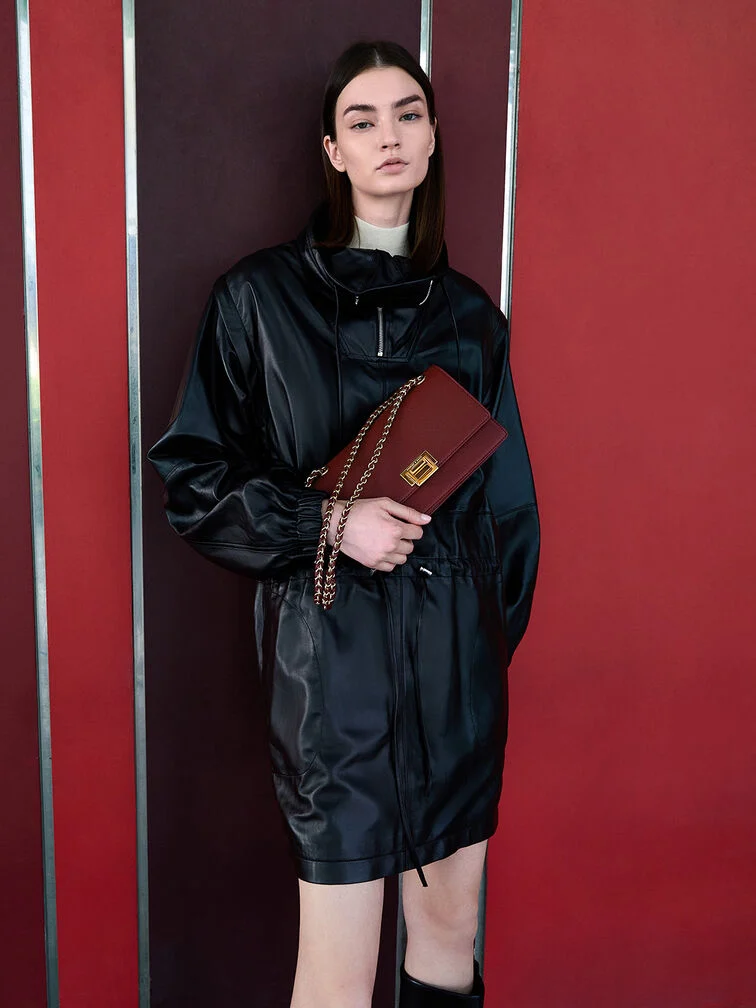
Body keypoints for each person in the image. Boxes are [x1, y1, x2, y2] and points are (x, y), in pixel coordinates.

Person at [147, 38, 539, 1008]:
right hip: (330, 676)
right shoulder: (259, 299)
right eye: (362, 121)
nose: (388, 136)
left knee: (448, 941)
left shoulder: (470, 318)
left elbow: (509, 514)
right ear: (333, 151)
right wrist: (330, 522)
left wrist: (480, 646)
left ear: (434, 135)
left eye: (407, 114)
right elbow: (193, 479)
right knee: (336, 972)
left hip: (455, 676)